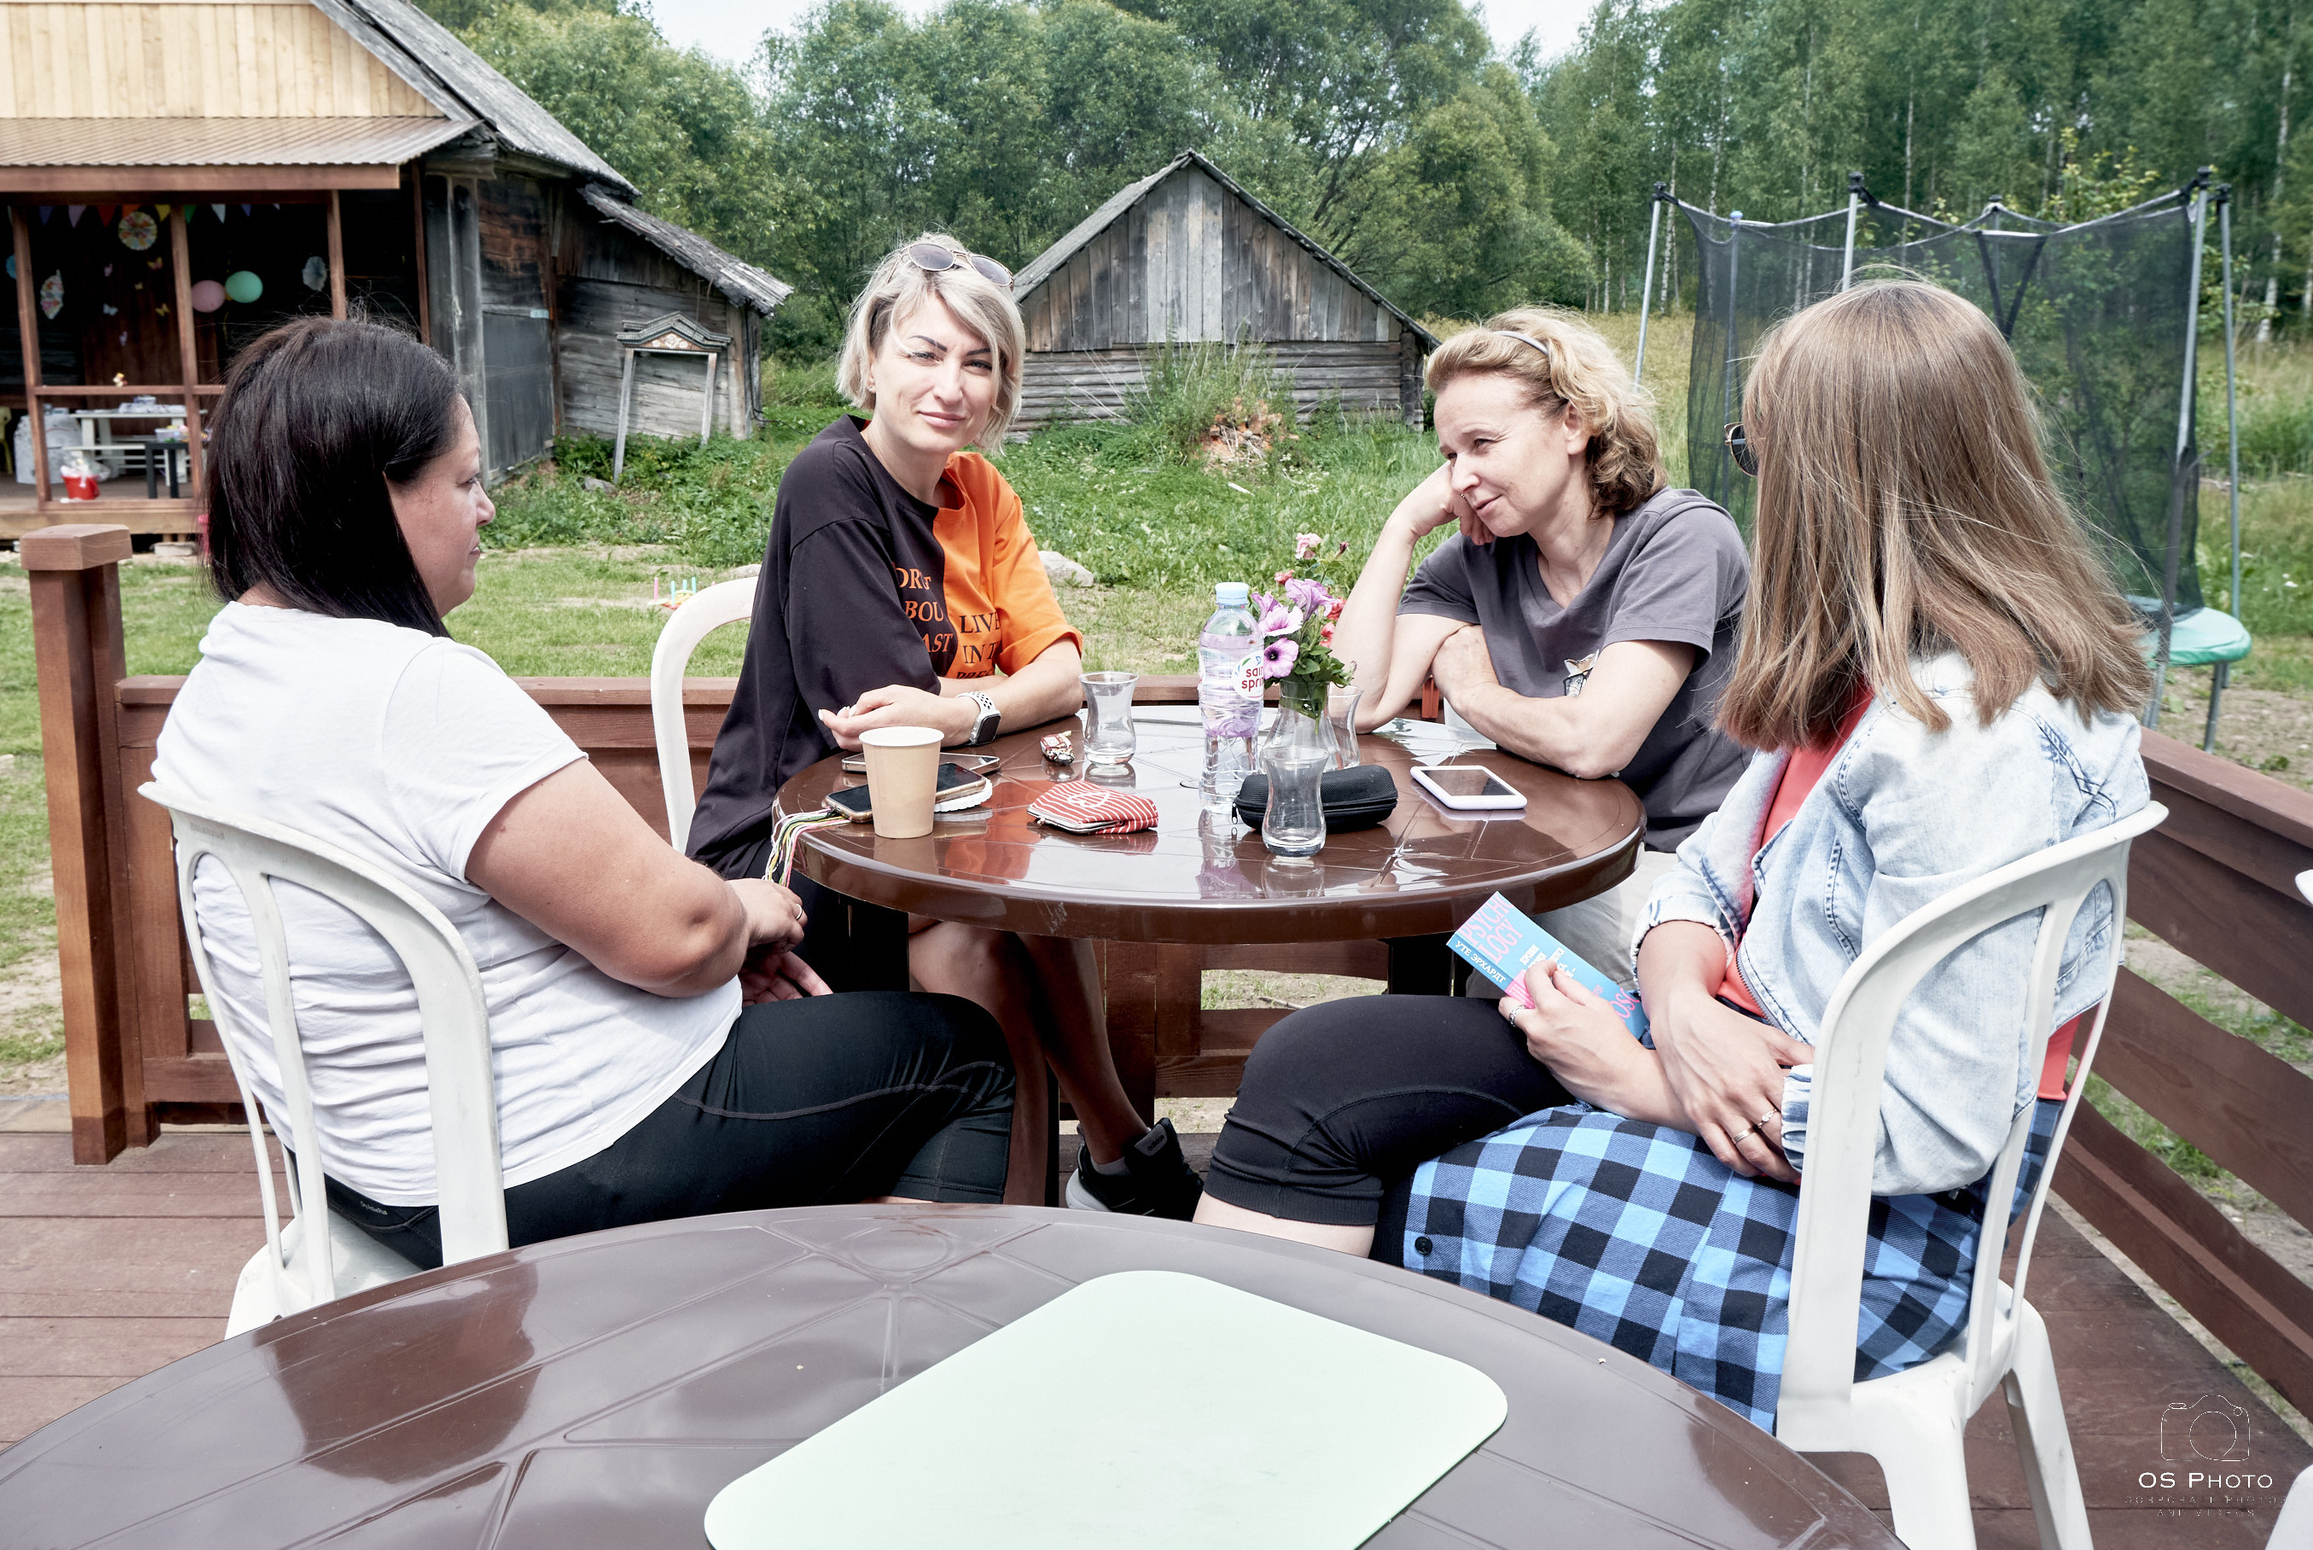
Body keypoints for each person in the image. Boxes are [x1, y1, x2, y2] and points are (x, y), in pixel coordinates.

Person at [1198, 280, 2151, 1431]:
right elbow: (1697, 880)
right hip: (1729, 1054)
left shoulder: (1974, 744)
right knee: (1318, 1061)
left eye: (1761, 449)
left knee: (1354, 1175)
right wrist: (1685, 1020)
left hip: (1855, 1243)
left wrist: (1641, 1082)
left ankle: (1256, 1449)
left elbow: (1929, 1131)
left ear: (1849, 476)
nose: (1756, 485)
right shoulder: (1869, 676)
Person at [152, 317, 1015, 1270]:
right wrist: (736, 914)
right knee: (960, 1052)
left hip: (365, 1171)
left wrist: (710, 955)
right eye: (466, 481)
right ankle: (901, 1357)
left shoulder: (222, 679)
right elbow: (675, 935)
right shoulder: (413, 688)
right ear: (373, 499)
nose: (486, 511)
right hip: (541, 1157)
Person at [686, 235, 1199, 1218]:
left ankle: (1066, 1185)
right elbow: (887, 730)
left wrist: (963, 705)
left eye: (979, 362)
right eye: (924, 353)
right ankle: (1089, 1174)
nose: (950, 385)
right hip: (805, 846)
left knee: (1027, 889)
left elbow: (1061, 674)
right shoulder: (828, 483)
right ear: (872, 356)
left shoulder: (981, 493)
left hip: (940, 826)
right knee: (975, 919)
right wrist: (983, 704)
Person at [1334, 307, 1750, 980]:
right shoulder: (1480, 559)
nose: (1460, 476)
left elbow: (1594, 742)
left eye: (1483, 443)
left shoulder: (1681, 539)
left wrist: (1473, 693)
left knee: (1490, 926)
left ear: (1573, 424)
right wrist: (1403, 526)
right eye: (1448, 455)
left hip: (1689, 871)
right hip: (1559, 851)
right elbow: (1350, 701)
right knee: (1450, 908)